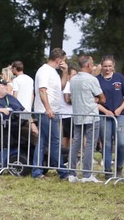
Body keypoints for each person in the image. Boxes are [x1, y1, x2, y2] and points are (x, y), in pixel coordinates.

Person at [32, 48, 69, 180]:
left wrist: (65, 73)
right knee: (55, 141)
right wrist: (48, 108)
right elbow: (42, 90)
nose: (64, 63)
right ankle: (62, 171)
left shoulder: (53, 72)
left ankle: (37, 171)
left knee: (42, 142)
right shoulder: (44, 71)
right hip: (47, 112)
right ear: (58, 60)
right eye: (63, 60)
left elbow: (61, 88)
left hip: (50, 111)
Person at [95, 55, 124, 180]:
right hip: (104, 115)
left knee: (121, 142)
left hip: (120, 115)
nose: (107, 69)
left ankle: (119, 167)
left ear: (113, 66)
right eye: (105, 66)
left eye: (109, 66)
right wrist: (105, 111)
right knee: (106, 143)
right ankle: (107, 170)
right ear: (101, 66)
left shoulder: (119, 78)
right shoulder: (97, 80)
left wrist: (120, 108)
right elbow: (93, 100)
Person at [65, 58, 103, 182]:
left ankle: (72, 173)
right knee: (90, 145)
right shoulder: (92, 79)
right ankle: (87, 174)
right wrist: (96, 99)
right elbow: (102, 98)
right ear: (88, 65)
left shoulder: (73, 80)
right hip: (91, 115)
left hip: (77, 115)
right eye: (92, 64)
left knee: (76, 143)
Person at [7, 60, 37, 163]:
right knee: (30, 130)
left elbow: (15, 96)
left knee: (21, 133)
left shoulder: (16, 80)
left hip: (19, 110)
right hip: (27, 109)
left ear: (15, 68)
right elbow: (32, 94)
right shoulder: (30, 79)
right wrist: (30, 106)